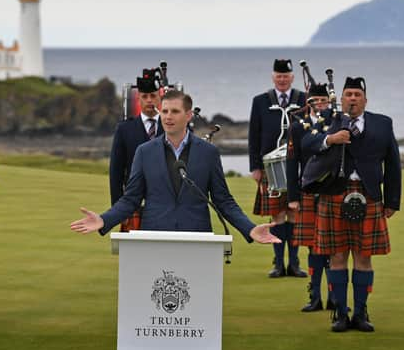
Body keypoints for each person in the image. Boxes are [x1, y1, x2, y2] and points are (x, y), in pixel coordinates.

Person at [71, 90, 279, 245]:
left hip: (197, 238)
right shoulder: (144, 152)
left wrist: (250, 229)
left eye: (175, 111)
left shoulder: (208, 152)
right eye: (165, 111)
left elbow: (223, 200)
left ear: (188, 116)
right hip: (154, 236)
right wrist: (103, 220)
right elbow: (131, 199)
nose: (168, 117)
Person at [302, 76, 401, 332]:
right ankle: (339, 313)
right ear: (342, 98)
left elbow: (393, 164)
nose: (353, 98)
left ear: (365, 99)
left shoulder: (382, 123)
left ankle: (360, 313)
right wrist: (330, 140)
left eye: (358, 94)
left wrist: (391, 201)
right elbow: (307, 144)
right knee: (336, 256)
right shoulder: (328, 120)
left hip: (368, 195)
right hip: (335, 193)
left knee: (364, 257)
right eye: (349, 94)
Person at [248, 58, 307, 277]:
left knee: (294, 214)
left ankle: (294, 263)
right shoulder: (261, 101)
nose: (282, 80)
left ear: (292, 77)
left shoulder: (303, 99)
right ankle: (278, 264)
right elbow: (253, 135)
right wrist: (255, 166)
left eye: (286, 76)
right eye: (278, 76)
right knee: (277, 215)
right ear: (273, 77)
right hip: (268, 167)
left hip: (296, 166)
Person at [286, 83, 336, 312]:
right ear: (309, 103)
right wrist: (293, 196)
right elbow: (291, 162)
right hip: (307, 191)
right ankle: (315, 296)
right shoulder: (297, 127)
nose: (320, 105)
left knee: (333, 247)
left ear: (328, 101)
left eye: (323, 100)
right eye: (315, 101)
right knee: (312, 247)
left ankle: (335, 296)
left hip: (333, 188)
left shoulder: (338, 122)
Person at [109, 69, 163, 231]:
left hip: (166, 205)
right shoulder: (125, 129)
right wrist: (118, 210)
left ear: (160, 96)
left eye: (153, 96)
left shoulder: (172, 127)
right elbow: (116, 172)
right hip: (134, 204)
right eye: (145, 97)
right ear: (138, 98)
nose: (149, 101)